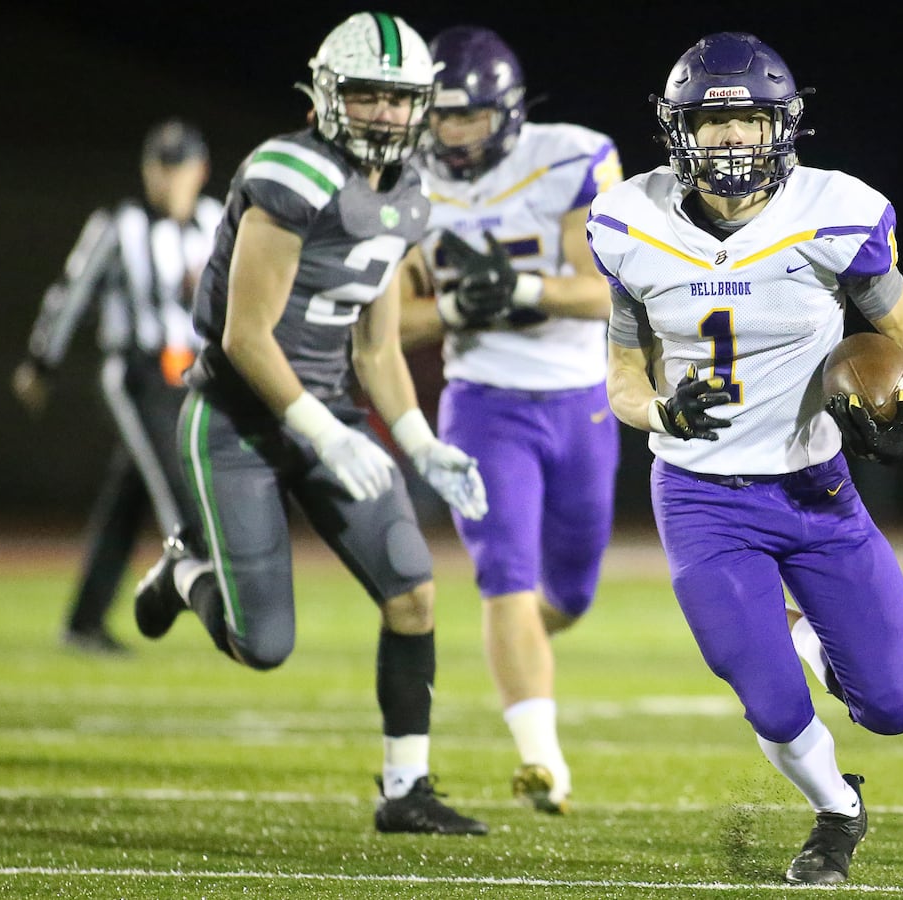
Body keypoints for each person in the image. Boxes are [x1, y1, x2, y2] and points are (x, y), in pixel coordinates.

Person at [130, 11, 492, 836]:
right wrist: (324, 434)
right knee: (264, 646)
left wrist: (420, 441)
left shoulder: (407, 196)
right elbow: (244, 337)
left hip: (327, 413)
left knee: (413, 593)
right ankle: (185, 569)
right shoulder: (290, 172)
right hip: (238, 421)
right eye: (367, 96)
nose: (387, 117)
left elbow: (375, 345)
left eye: (402, 101)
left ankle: (406, 791)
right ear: (328, 94)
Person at [586, 32, 903, 884]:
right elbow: (622, 379)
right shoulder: (631, 222)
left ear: (784, 127)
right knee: (772, 701)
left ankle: (802, 638)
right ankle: (835, 811)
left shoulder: (833, 211)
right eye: (716, 122)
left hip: (817, 490)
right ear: (680, 133)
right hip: (702, 498)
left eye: (751, 120)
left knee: (895, 706)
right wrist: (659, 408)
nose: (735, 138)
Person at [394, 24, 622, 816]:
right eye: (443, 117)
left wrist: (523, 294)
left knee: (569, 591)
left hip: (581, 400)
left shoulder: (571, 156)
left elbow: (606, 291)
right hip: (483, 403)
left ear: (510, 112)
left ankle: (513, 649)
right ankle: (541, 761)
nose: (454, 134)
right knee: (505, 577)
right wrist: (457, 306)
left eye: (471, 116)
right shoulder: (404, 181)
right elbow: (388, 325)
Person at [13, 118, 221, 656]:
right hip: (138, 373)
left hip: (192, 377)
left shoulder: (215, 220)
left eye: (181, 167)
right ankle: (198, 598)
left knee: (129, 498)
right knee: (179, 494)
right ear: (148, 171)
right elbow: (71, 291)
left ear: (201, 171)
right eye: (163, 167)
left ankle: (83, 622)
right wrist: (42, 360)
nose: (171, 180)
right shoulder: (119, 225)